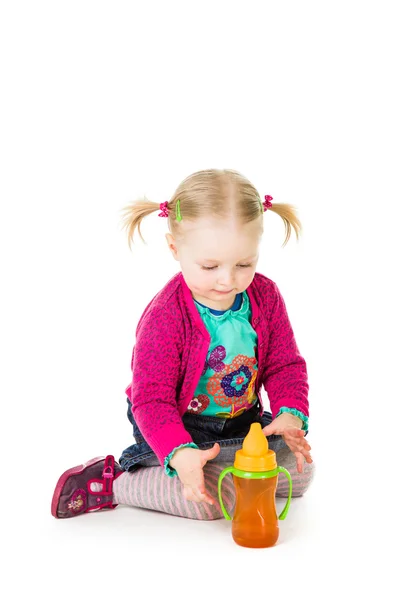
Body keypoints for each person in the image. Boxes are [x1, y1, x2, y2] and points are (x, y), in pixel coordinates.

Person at [51, 168, 314, 521]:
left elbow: (284, 365)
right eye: (210, 266)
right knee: (212, 503)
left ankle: (226, 468)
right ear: (175, 248)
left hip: (242, 424)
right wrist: (179, 451)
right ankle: (113, 482)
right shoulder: (167, 317)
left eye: (244, 263)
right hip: (180, 427)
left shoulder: (265, 296)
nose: (228, 279)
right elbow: (151, 398)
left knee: (301, 474)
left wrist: (288, 413)